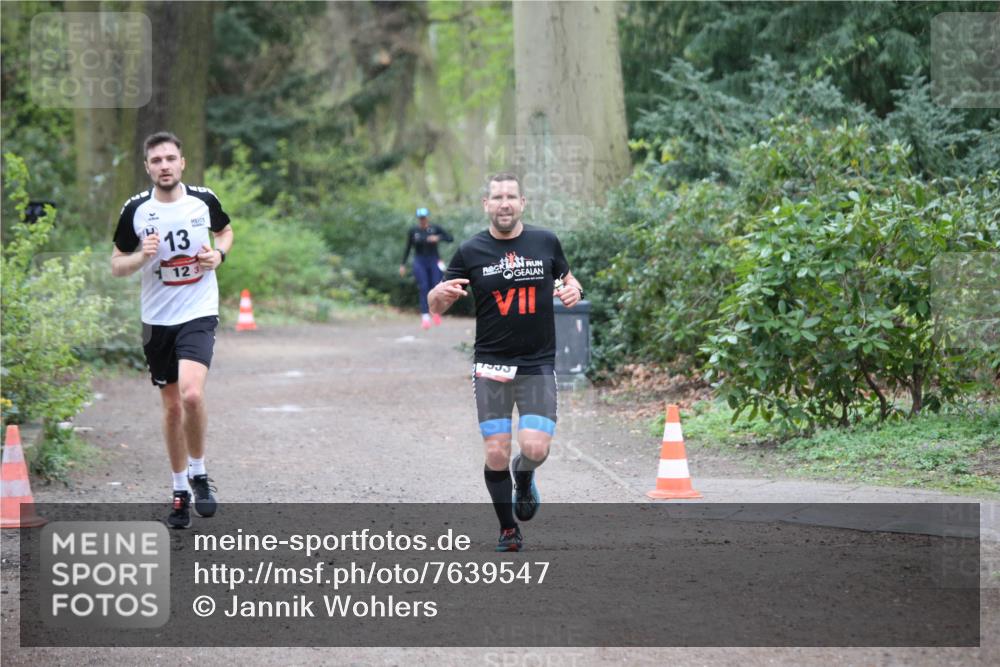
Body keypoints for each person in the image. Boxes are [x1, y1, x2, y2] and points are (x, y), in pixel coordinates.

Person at [428, 173, 583, 552]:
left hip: (536, 364)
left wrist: (574, 290)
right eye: (497, 197)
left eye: (511, 196)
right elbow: (436, 305)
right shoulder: (470, 251)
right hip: (491, 365)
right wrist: (439, 295)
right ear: (486, 204)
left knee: (535, 449)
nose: (504, 203)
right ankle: (508, 529)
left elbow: (569, 279)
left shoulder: (545, 241)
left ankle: (524, 476)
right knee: (496, 450)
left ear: (522, 202)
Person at [111, 131, 233, 529]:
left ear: (182, 162)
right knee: (172, 407)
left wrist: (219, 255)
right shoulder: (136, 210)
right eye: (156, 160)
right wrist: (139, 257)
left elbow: (225, 231)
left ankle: (199, 472)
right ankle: (180, 490)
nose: (164, 166)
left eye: (170, 158)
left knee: (192, 394)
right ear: (147, 167)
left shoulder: (203, 200)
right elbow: (116, 265)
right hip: (157, 320)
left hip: (198, 311)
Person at [399, 207, 453, 329]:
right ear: (418, 219)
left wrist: (438, 237)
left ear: (427, 217)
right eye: (420, 218)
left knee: (436, 286)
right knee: (423, 287)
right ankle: (425, 317)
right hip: (420, 261)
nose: (422, 220)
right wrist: (403, 264)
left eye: (424, 218)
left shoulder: (435, 228)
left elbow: (450, 238)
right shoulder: (414, 231)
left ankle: (435, 312)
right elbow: (408, 248)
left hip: (434, 260)